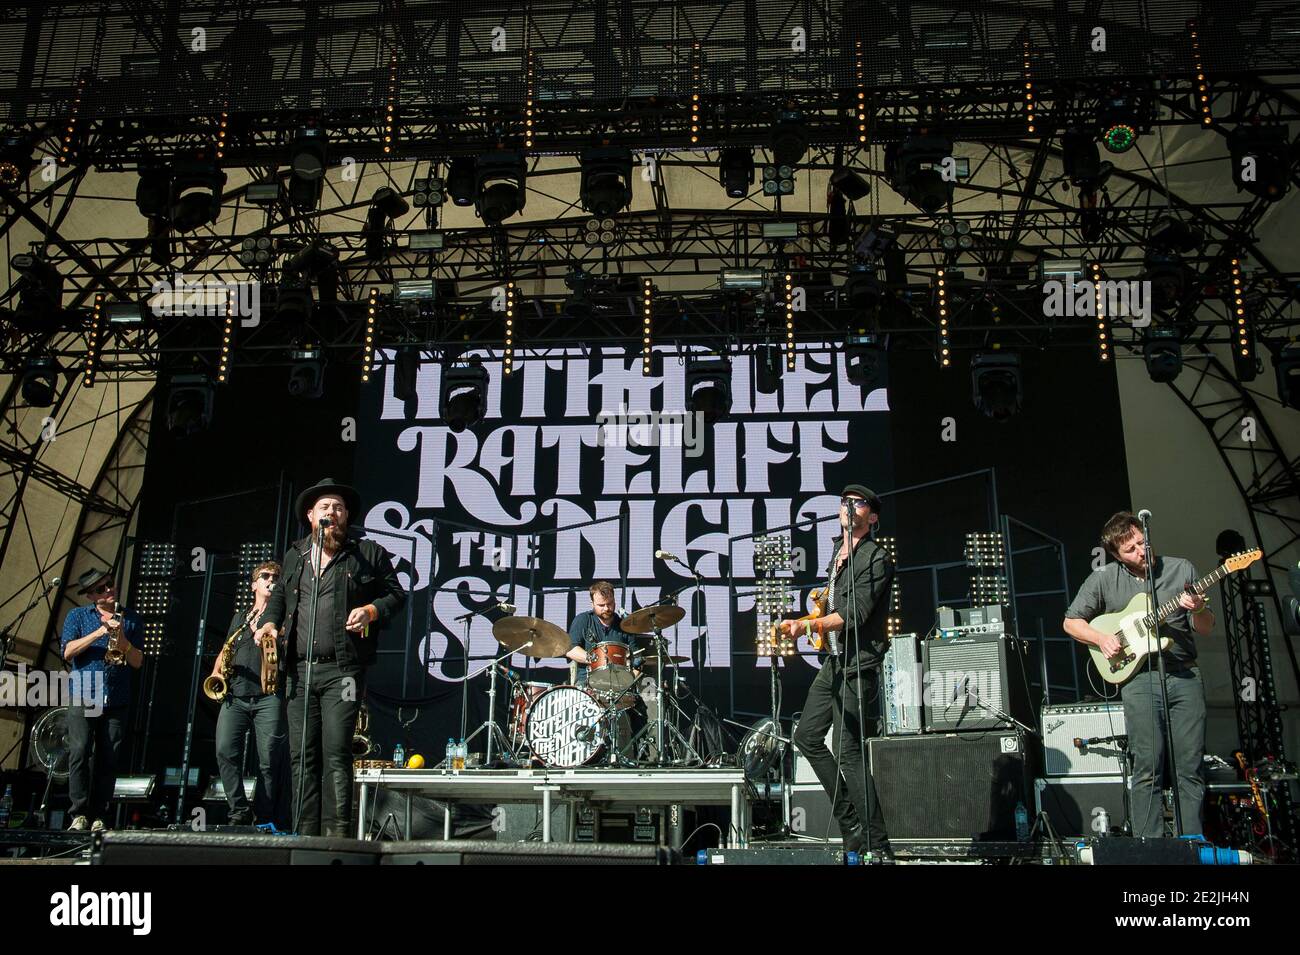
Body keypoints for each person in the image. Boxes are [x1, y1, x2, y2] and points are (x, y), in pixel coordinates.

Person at [256, 478, 405, 836]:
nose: (332, 513)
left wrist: (371, 609)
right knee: (301, 758)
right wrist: (270, 623)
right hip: (298, 670)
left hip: (344, 671)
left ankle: (336, 836)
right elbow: (278, 600)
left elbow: (396, 595)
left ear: (346, 516)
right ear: (311, 516)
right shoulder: (296, 555)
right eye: (325, 508)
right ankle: (304, 836)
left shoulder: (366, 553)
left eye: (338, 508)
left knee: (336, 754)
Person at [1063, 511, 1213, 838]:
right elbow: (1071, 622)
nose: (1141, 551)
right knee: (1147, 767)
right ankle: (1150, 847)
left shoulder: (1180, 569)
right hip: (1139, 680)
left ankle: (1192, 842)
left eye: (1143, 542)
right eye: (1130, 549)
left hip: (1184, 675)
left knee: (1190, 765)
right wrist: (1102, 638)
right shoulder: (1104, 578)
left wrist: (1199, 608)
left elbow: (1205, 628)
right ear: (1117, 555)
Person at [781, 485, 894, 859]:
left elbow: (855, 614)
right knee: (806, 736)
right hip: (834, 661)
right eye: (844, 501)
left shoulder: (876, 557)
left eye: (857, 502)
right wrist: (817, 609)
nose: (848, 506)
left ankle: (877, 843)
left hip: (858, 663)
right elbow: (835, 601)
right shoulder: (838, 551)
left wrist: (807, 626)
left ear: (872, 517)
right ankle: (850, 824)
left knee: (848, 752)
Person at [59, 567, 144, 832]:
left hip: (116, 693)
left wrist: (123, 641)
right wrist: (100, 632)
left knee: (109, 756)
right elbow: (68, 652)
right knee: (80, 750)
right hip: (85, 689)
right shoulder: (78, 615)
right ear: (91, 596)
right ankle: (78, 812)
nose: (109, 589)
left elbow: (138, 662)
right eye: (101, 588)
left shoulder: (131, 618)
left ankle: (99, 814)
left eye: (109, 584)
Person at [211, 561, 285, 827]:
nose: (271, 579)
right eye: (265, 576)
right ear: (254, 584)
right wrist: (217, 673)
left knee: (269, 760)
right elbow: (226, 647)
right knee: (224, 751)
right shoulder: (239, 617)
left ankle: (264, 817)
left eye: (276, 576)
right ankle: (239, 811)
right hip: (235, 695)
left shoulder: (281, 615)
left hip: (268, 696)